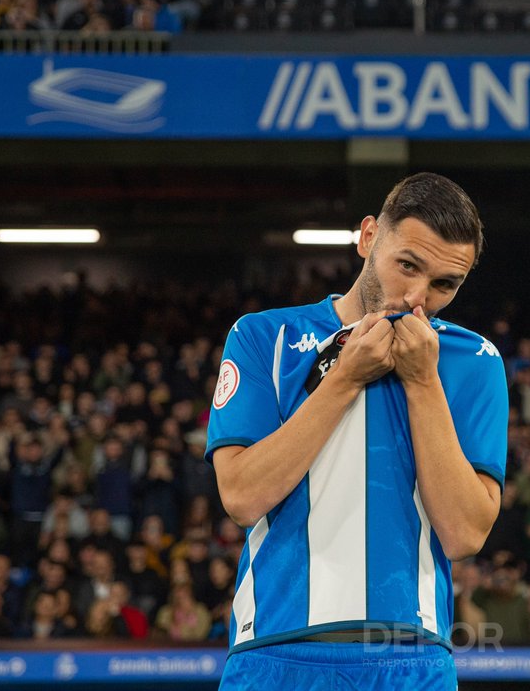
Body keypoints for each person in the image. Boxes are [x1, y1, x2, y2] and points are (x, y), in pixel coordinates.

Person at [206, 173, 508, 690]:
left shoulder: (475, 360)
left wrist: (422, 381)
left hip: (412, 661)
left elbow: (464, 534)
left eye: (444, 285)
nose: (418, 298)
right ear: (368, 237)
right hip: (276, 655)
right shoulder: (263, 337)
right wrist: (345, 377)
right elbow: (241, 496)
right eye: (407, 266)